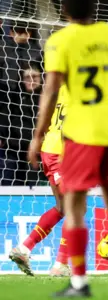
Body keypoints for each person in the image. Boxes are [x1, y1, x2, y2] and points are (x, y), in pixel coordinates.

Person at [26, 0, 108, 297]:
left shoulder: (60, 41)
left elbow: (51, 89)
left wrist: (38, 135)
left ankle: (79, 282)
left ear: (65, 12)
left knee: (73, 207)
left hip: (80, 136)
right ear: (94, 9)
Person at [9, 83, 69, 277]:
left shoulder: (63, 86)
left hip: (50, 148)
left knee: (63, 208)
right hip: (64, 153)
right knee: (75, 208)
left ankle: (24, 248)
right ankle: (61, 264)